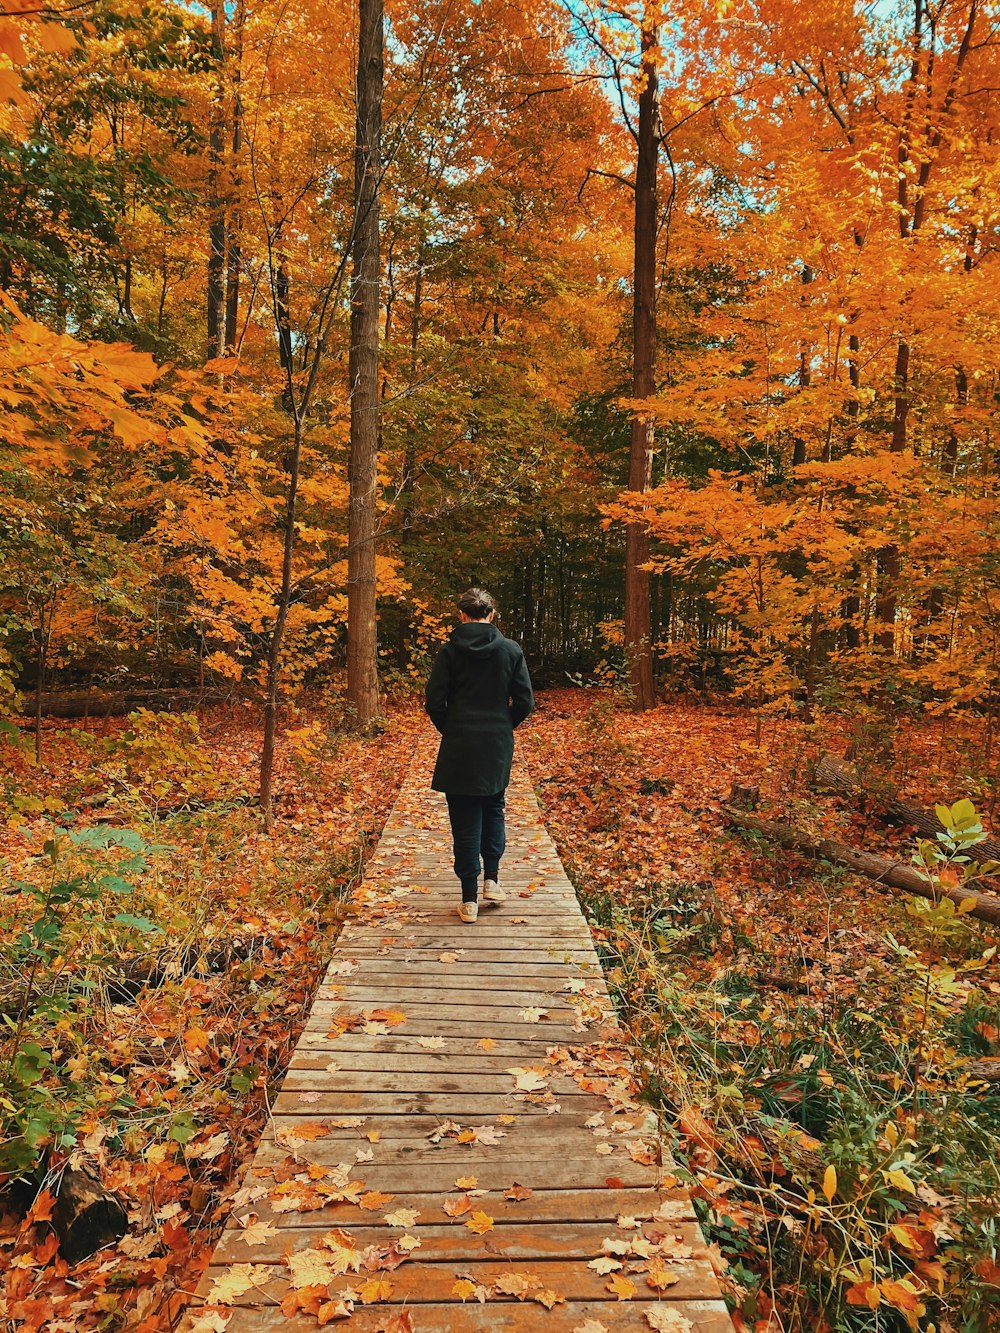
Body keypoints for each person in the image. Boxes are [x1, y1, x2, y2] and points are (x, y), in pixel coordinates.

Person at [424, 586, 535, 923]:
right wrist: (503, 726)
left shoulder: (449, 653)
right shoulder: (510, 650)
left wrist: (452, 728)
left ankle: (469, 900)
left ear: (462, 615)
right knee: (493, 808)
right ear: (492, 614)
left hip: (459, 744)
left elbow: (434, 702)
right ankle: (493, 881)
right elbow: (525, 702)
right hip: (495, 745)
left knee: (464, 820)